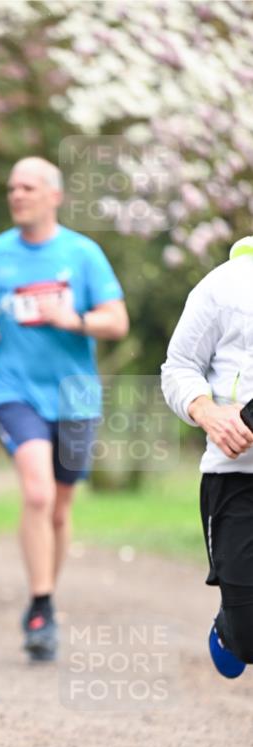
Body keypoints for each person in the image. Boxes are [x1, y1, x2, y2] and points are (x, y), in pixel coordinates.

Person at [0, 157, 128, 661]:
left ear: (54, 196)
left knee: (59, 508)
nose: (17, 195)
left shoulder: (83, 253)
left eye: (28, 188)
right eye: (12, 187)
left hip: (75, 394)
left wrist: (72, 319)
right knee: (36, 494)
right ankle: (41, 604)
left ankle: (46, 596)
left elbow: (116, 321)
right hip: (13, 389)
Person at [161, 236, 253, 678]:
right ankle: (229, 628)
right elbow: (178, 366)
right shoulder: (226, 285)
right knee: (248, 633)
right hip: (236, 476)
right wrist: (209, 412)